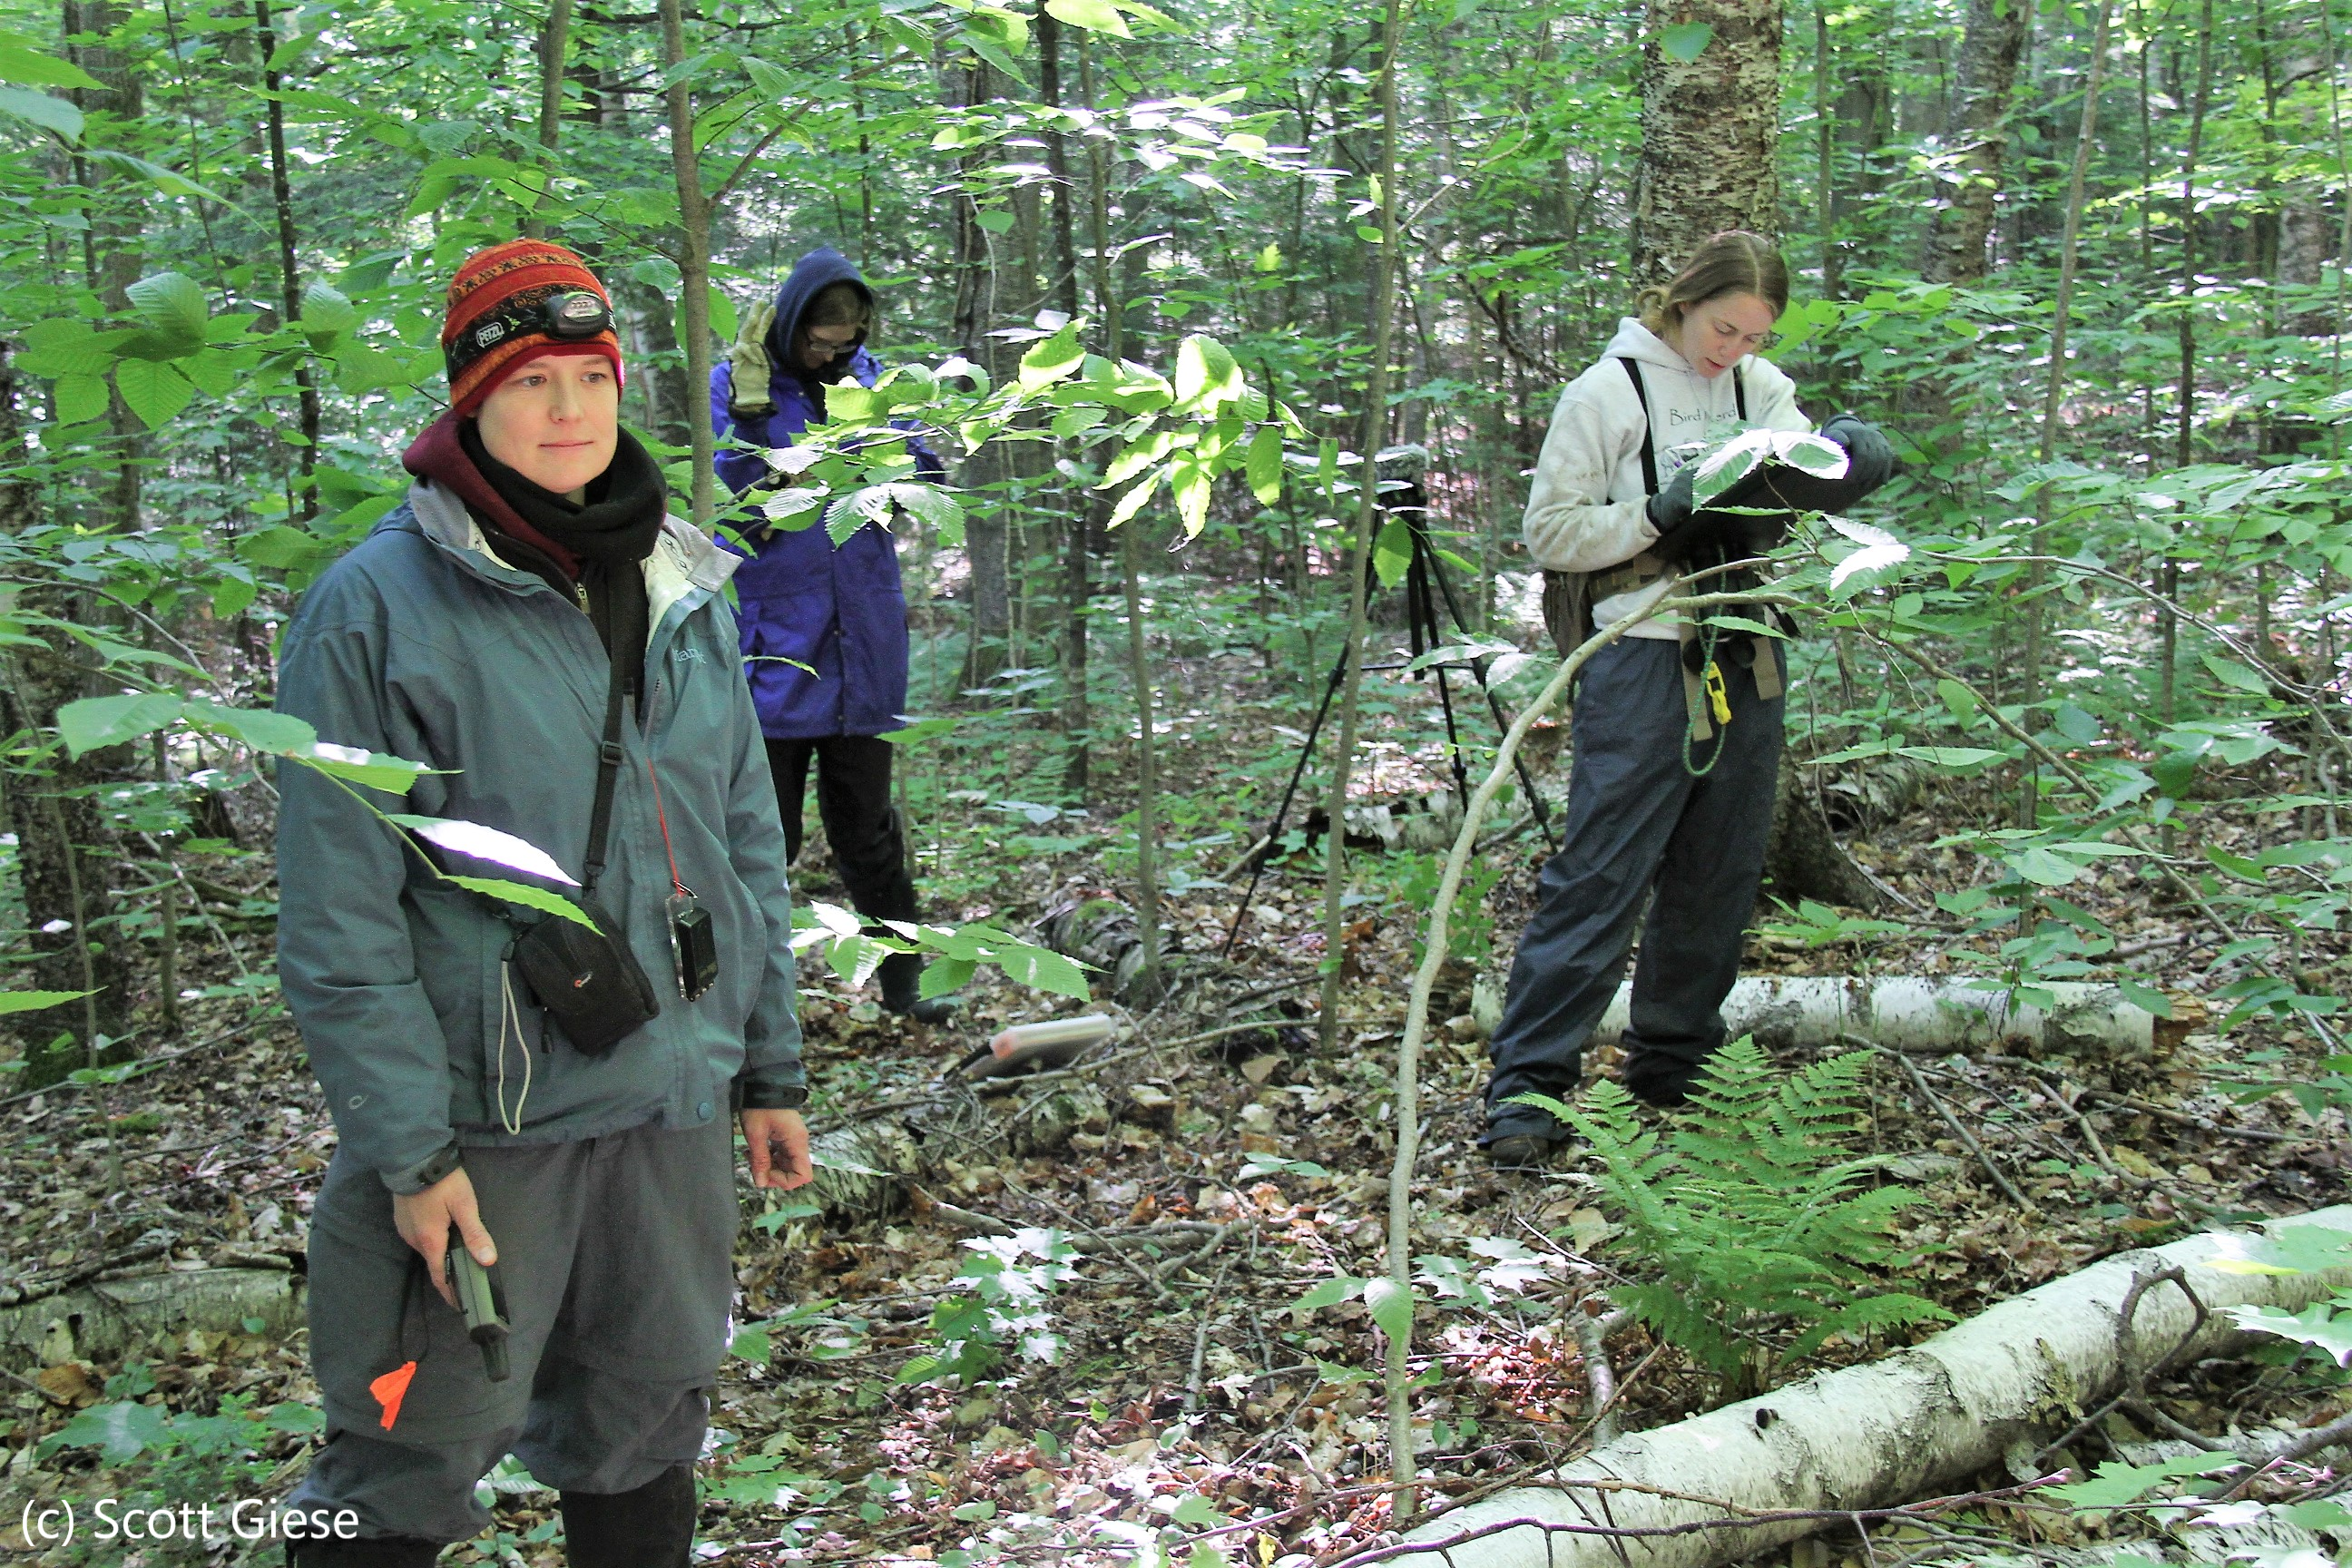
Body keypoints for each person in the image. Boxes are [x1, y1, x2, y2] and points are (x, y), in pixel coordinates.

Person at [274, 239, 813, 1566]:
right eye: (530, 381)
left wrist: (768, 1066)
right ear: (468, 400)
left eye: (591, 375)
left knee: (647, 1423)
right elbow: (339, 914)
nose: (570, 410)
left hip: (670, 1113)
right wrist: (410, 1153)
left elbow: (744, 839)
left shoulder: (685, 583)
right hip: (488, 1129)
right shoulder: (374, 613)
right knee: (407, 1447)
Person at [1482, 230, 1893, 1170]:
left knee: (1718, 874)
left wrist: (1836, 473)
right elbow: (1551, 532)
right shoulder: (1606, 393)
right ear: (1684, 299)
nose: (1734, 350)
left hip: (1745, 649)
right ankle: (1530, 1089)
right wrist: (1660, 513)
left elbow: (1789, 502)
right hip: (1639, 650)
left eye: (1754, 336)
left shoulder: (1763, 391)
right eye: (1724, 327)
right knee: (1601, 875)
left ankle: (1674, 1068)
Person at [710, 247, 955, 1024]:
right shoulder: (737, 388)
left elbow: (926, 476)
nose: (832, 353)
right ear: (790, 324)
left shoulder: (873, 384)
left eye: (845, 340)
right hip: (774, 648)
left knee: (867, 830)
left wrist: (890, 455)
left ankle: (905, 982)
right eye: (819, 340)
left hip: (863, 646)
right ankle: (747, 1003)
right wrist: (785, 464)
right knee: (762, 837)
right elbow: (727, 511)